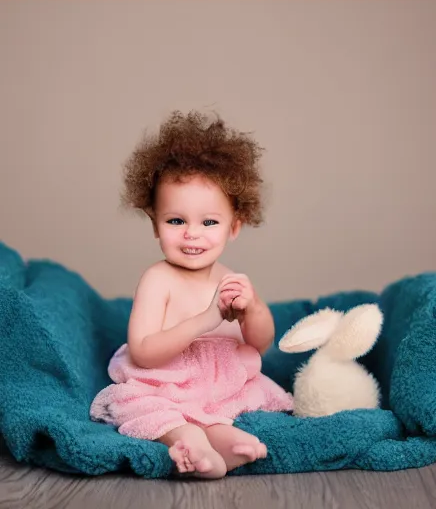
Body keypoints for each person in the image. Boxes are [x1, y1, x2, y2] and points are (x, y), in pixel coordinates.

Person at [91, 112, 292, 478]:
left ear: (234, 227)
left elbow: (260, 344)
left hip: (216, 387)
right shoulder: (158, 278)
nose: (191, 234)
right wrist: (205, 320)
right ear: (155, 226)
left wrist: (253, 309)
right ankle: (189, 445)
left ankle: (224, 443)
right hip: (164, 384)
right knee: (154, 410)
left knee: (223, 411)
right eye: (176, 220)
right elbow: (144, 352)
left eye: (209, 222)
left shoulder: (231, 279)